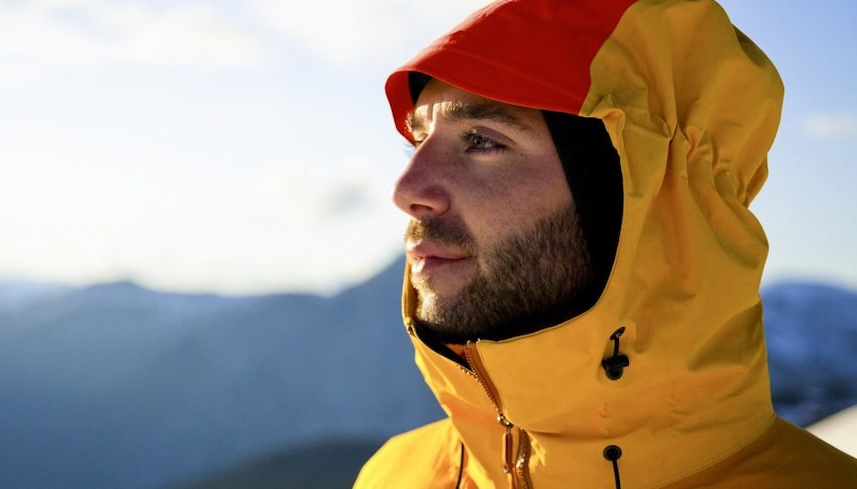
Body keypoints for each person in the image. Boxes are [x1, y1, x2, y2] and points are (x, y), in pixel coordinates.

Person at [353, 0, 857, 487]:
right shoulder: (394, 474)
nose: (406, 191)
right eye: (416, 142)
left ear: (644, 203)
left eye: (483, 140)